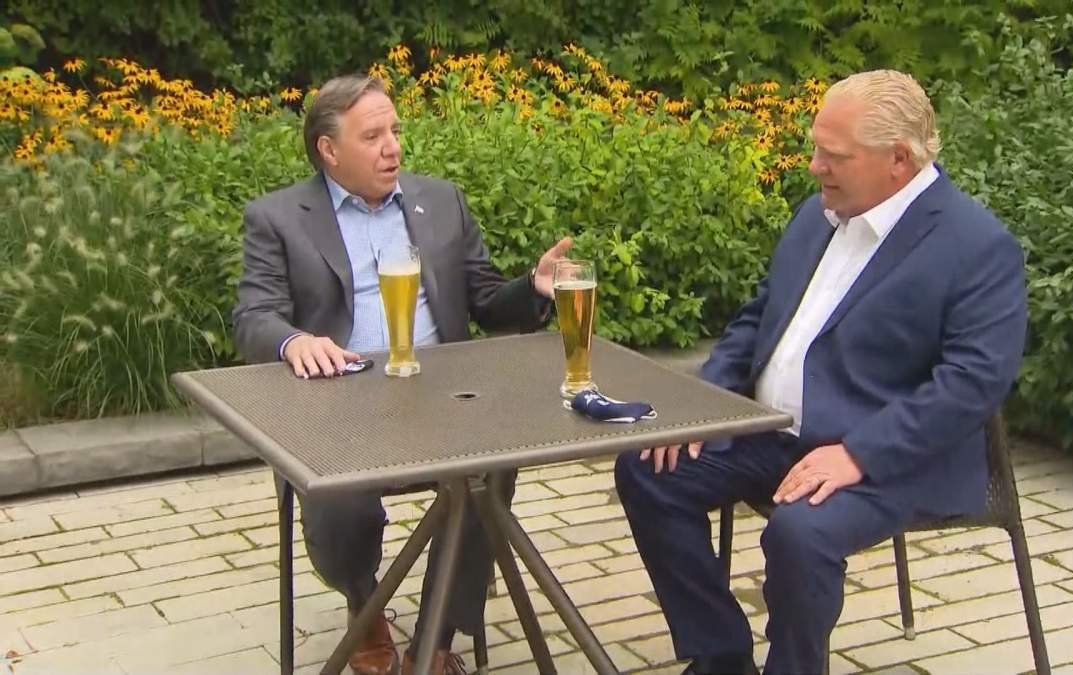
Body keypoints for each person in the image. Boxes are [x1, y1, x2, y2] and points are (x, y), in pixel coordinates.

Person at [614, 69, 1028, 675]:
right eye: (815, 148)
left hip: (890, 457)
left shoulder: (977, 246)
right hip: (776, 434)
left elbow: (973, 383)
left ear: (898, 160)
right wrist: (707, 403)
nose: (813, 166)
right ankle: (721, 656)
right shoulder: (821, 213)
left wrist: (858, 453)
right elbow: (759, 316)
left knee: (799, 535)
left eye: (833, 155)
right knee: (650, 468)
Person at [232, 74, 571, 675]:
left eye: (395, 131)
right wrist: (294, 341)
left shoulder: (440, 201)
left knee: (491, 468)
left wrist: (534, 289)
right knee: (337, 495)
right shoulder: (278, 217)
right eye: (373, 135)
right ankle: (365, 607)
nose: (392, 146)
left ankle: (435, 639)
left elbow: (485, 299)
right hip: (340, 402)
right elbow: (254, 315)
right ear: (328, 150)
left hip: (443, 395)